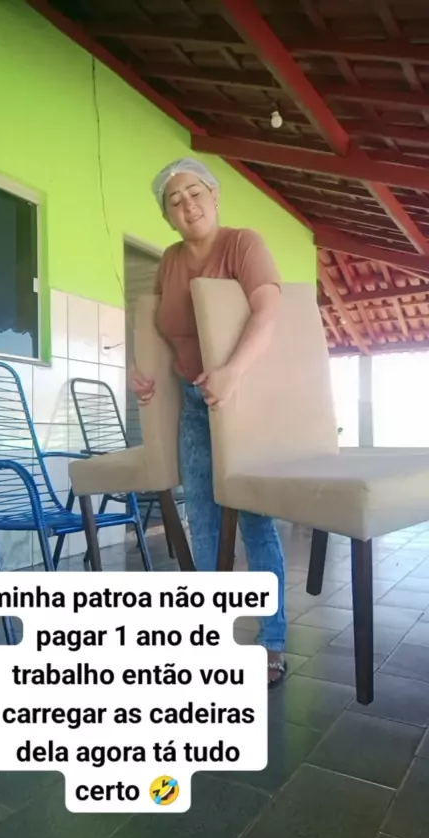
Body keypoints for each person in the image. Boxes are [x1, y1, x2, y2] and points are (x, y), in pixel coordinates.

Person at [129, 158, 287, 686]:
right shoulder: (171, 260)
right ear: (167, 216)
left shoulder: (243, 244)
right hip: (194, 404)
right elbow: (161, 331)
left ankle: (272, 641)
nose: (187, 204)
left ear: (214, 196)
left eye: (194, 192)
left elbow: (268, 311)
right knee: (202, 517)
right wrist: (140, 370)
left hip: (243, 399)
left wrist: (233, 371)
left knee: (254, 518)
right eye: (174, 201)